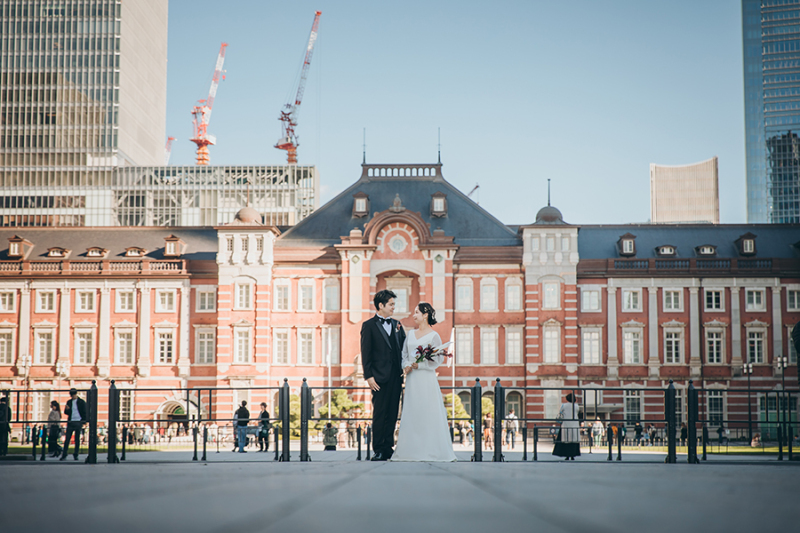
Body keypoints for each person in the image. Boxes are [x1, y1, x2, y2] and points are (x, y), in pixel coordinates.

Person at [391, 302, 457, 462]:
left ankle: (431, 450)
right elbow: (404, 354)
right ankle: (410, 450)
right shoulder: (410, 334)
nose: (413, 315)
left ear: (425, 314)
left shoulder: (434, 336)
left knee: (428, 412)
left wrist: (420, 365)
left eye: (416, 312)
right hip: (412, 379)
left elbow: (438, 359)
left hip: (426, 379)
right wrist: (407, 365)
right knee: (412, 411)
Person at [360, 290, 406, 461]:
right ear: (381, 305)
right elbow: (366, 352)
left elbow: (404, 348)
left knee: (392, 413)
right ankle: (378, 449)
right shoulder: (369, 325)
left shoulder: (397, 325)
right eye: (391, 304)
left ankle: (388, 448)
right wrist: (369, 376)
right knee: (380, 413)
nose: (394, 307)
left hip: (396, 376)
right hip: (378, 378)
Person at [60, 388, 86, 461]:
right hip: (71, 421)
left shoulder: (81, 402)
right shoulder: (69, 402)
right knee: (67, 439)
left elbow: (84, 412)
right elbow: (66, 412)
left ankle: (75, 454)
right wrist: (67, 409)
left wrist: (83, 421)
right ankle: (64, 454)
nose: (72, 396)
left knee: (77, 439)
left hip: (78, 421)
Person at [553, 393, 581, 460]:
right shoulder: (576, 406)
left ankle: (567, 455)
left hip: (566, 424)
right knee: (573, 440)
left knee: (566, 440)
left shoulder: (564, 405)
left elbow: (560, 413)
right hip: (574, 425)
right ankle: (573, 455)